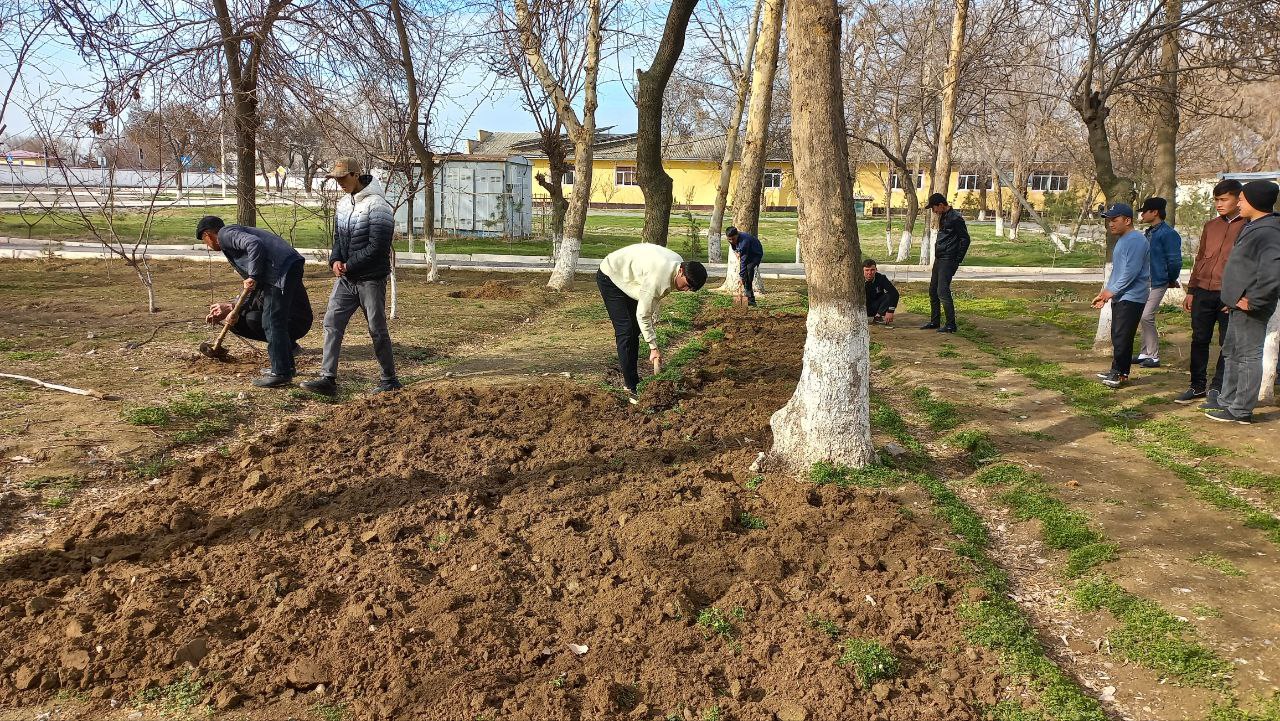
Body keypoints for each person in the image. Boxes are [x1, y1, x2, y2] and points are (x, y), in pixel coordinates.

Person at [301, 157, 401, 397]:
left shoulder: (378, 205)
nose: (339, 184)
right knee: (332, 323)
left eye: (343, 178)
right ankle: (327, 379)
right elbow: (339, 238)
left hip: (371, 280)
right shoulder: (344, 205)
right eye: (336, 179)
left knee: (376, 328)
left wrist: (348, 264)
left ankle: (389, 379)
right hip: (346, 280)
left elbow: (378, 247)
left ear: (356, 175)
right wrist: (335, 260)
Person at [196, 216, 306, 388]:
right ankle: (286, 367)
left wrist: (252, 275)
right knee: (273, 321)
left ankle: (281, 373)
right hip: (282, 269)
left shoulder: (225, 234)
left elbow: (254, 244)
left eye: (204, 241)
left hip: (281, 270)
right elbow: (255, 288)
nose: (207, 245)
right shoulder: (233, 235)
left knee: (271, 321)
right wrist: (235, 307)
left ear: (208, 235)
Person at [1205, 180, 1280, 424]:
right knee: (1232, 352)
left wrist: (1254, 301)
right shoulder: (1254, 225)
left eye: (1243, 199)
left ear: (1255, 202)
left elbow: (1272, 272)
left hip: (1251, 307)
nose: (1238, 202)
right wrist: (1232, 297)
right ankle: (1228, 401)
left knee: (1248, 357)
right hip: (1237, 304)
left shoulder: (1269, 231)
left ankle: (1241, 410)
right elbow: (1245, 269)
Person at [597, 243, 708, 402]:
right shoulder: (659, 277)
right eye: (687, 285)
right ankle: (631, 386)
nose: (685, 290)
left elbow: (651, 301)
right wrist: (653, 347)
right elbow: (643, 314)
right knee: (627, 331)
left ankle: (633, 378)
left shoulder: (677, 265)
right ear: (681, 271)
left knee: (635, 330)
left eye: (690, 289)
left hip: (630, 276)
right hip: (611, 275)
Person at [1176, 180, 1246, 404]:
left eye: (1224, 199)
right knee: (1199, 339)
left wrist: (1238, 294)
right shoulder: (1211, 226)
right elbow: (1200, 258)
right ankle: (1197, 385)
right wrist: (1192, 290)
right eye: (1216, 199)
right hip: (1203, 293)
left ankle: (1219, 388)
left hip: (1228, 295)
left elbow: (1250, 265)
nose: (1219, 204)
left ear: (1239, 198)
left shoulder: (1249, 226)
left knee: (1227, 344)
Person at [1091, 203, 1151, 388]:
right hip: (1122, 295)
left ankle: (1121, 373)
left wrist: (1111, 291)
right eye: (1109, 220)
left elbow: (1130, 272)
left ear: (1127, 220)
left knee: (1122, 336)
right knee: (1118, 335)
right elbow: (1118, 271)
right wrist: (1105, 293)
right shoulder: (1124, 239)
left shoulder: (1135, 240)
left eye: (1114, 220)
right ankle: (1115, 369)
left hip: (1132, 296)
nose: (1110, 224)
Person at [1133, 197, 1183, 368]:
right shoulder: (1150, 232)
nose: (1142, 214)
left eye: (1144, 211)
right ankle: (1144, 352)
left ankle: (1153, 356)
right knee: (1142, 315)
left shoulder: (1168, 234)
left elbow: (1175, 261)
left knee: (1147, 316)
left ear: (1154, 212)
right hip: (1145, 280)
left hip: (1159, 280)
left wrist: (1171, 278)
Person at [920, 193, 970, 333]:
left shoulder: (956, 218)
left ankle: (950, 324)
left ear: (941, 205)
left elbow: (965, 239)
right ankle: (934, 321)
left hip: (948, 259)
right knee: (933, 290)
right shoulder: (944, 216)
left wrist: (957, 259)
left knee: (943, 291)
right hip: (940, 258)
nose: (934, 211)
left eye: (934, 208)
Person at [205, 285, 312, 348]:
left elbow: (265, 301)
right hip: (274, 315)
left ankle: (285, 346)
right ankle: (285, 344)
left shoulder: (272, 273)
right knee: (233, 321)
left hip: (295, 321)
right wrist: (228, 311)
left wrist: (232, 307)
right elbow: (249, 296)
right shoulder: (253, 272)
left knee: (253, 318)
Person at [725, 225, 764, 307]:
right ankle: (750, 298)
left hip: (755, 254)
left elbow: (743, 261)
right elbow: (733, 245)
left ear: (737, 235)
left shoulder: (744, 241)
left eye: (733, 239)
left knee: (748, 269)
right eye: (729, 239)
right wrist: (736, 251)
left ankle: (750, 298)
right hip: (746, 253)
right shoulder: (732, 240)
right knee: (746, 274)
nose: (731, 241)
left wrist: (741, 277)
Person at [863, 259, 899, 325]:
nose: (869, 273)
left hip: (876, 307)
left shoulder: (881, 278)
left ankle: (878, 317)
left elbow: (894, 293)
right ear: (862, 270)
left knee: (889, 295)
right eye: (867, 270)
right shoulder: (857, 279)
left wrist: (891, 311)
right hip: (862, 307)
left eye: (872, 270)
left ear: (876, 270)